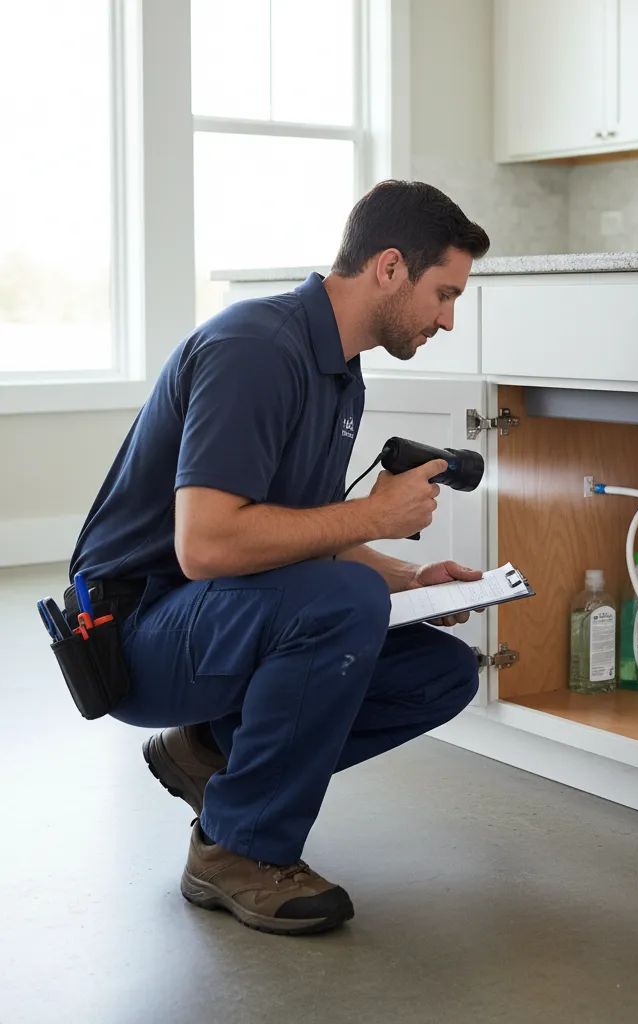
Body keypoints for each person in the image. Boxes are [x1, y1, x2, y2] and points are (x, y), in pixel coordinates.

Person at [69, 180, 491, 936]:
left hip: (210, 618)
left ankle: (205, 751)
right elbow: (206, 546)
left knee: (441, 672)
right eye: (444, 294)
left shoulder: (338, 368)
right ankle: (236, 850)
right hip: (129, 635)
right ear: (390, 268)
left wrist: (409, 579)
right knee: (343, 604)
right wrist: (373, 516)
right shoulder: (257, 349)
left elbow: (299, 532)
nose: (448, 320)